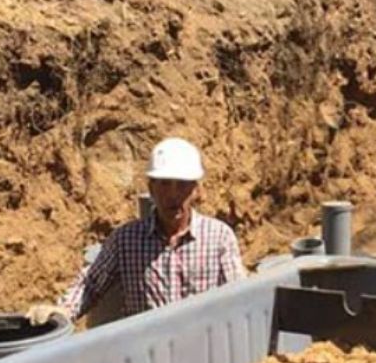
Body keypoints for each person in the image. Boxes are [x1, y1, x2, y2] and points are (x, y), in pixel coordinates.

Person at [26, 137, 246, 325]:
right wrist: (63, 311)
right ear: (151, 188)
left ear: (196, 190)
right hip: (146, 354)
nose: (173, 194)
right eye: (164, 184)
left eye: (182, 185)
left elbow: (239, 297)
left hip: (201, 347)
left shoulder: (219, 237)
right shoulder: (126, 240)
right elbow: (91, 284)